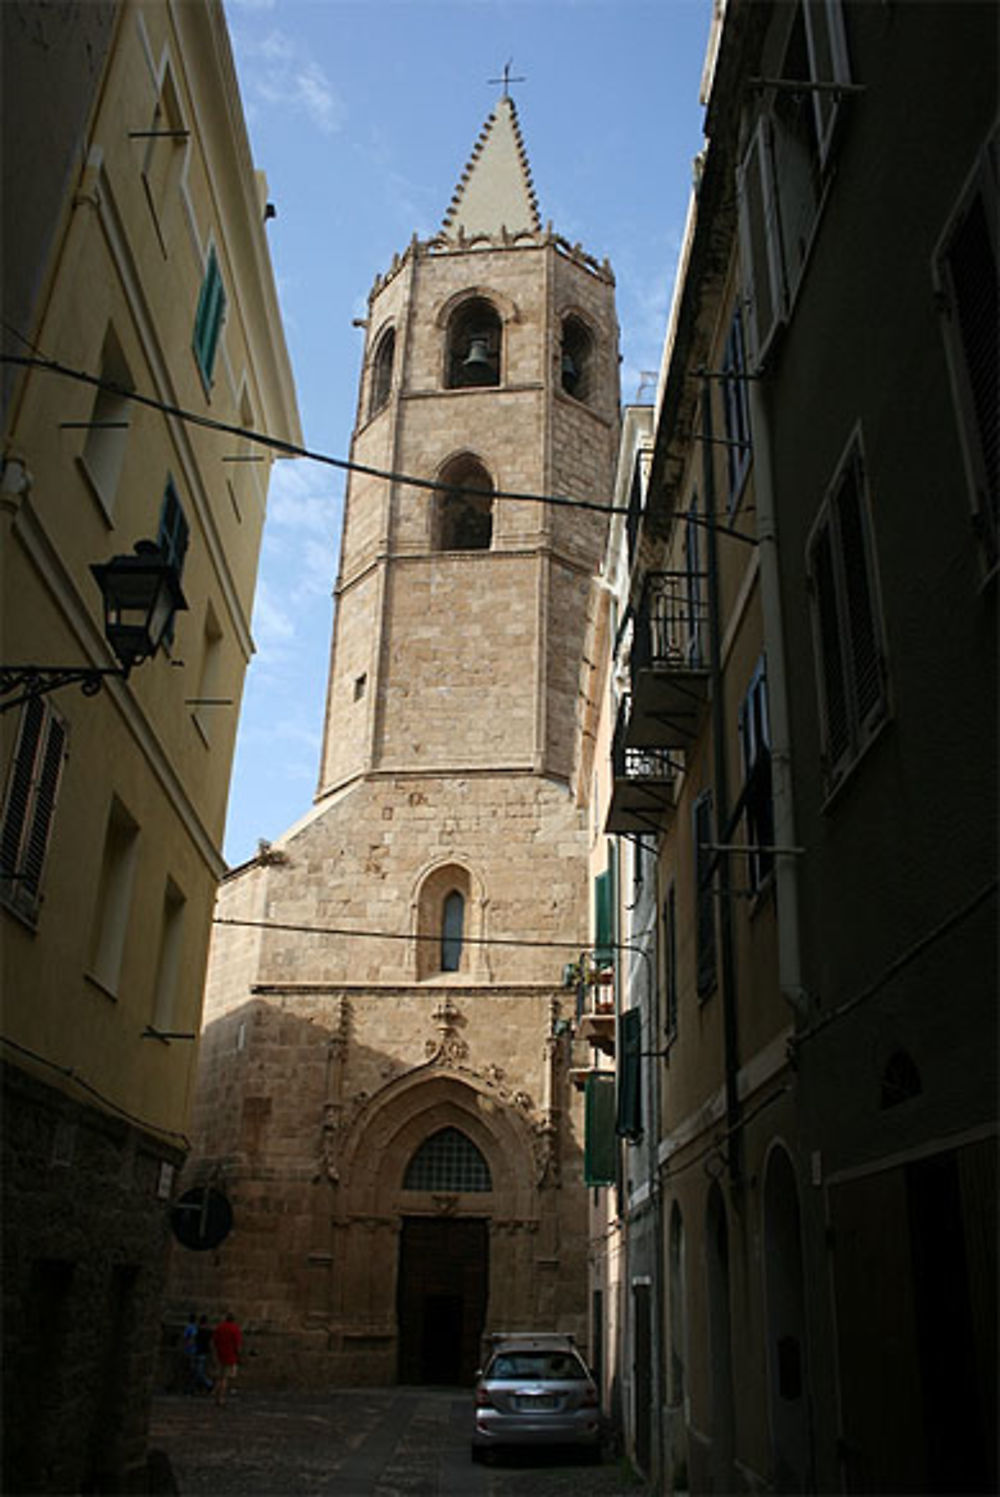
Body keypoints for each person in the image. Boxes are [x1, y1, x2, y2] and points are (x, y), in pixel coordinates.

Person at [212, 1312, 242, 1406]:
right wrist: (239, 1355)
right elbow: (237, 1344)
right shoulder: (234, 1329)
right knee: (225, 1378)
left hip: (219, 1354)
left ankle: (216, 1397)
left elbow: (214, 1341)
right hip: (230, 1356)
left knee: (218, 1377)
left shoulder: (220, 1327)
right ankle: (221, 1398)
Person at [194, 1314, 214, 1394]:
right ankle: (205, 1386)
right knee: (201, 1371)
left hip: (200, 1352)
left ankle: (209, 1384)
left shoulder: (199, 1331)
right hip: (205, 1352)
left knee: (199, 1372)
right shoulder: (208, 1331)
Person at [181, 1311, 198, 1393]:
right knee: (191, 1370)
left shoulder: (189, 1327)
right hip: (192, 1350)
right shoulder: (193, 1327)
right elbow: (192, 1338)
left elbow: (187, 1338)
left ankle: (188, 1388)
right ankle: (190, 1388)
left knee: (188, 1370)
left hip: (189, 1350)